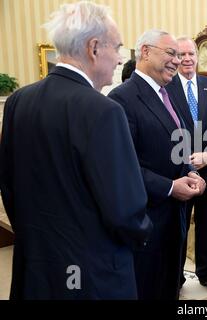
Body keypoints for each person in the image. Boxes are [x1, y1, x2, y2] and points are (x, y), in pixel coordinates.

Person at [0, 1, 153, 299]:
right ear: (94, 48)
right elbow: (125, 209)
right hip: (92, 273)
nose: (120, 58)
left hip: (36, 266)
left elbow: (8, 184)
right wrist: (145, 234)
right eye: (117, 47)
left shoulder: (19, 100)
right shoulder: (104, 111)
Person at [108, 29, 206, 300]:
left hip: (175, 219)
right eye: (171, 53)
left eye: (180, 55)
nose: (177, 61)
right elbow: (120, 167)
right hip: (147, 219)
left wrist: (191, 173)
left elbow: (177, 147)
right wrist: (169, 187)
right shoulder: (121, 100)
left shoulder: (169, 94)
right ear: (146, 52)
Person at [166, 37, 207, 292]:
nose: (188, 58)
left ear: (197, 56)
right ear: (176, 58)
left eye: (191, 53)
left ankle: (206, 271)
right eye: (182, 54)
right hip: (179, 170)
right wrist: (187, 160)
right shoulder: (166, 88)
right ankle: (175, 275)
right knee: (177, 225)